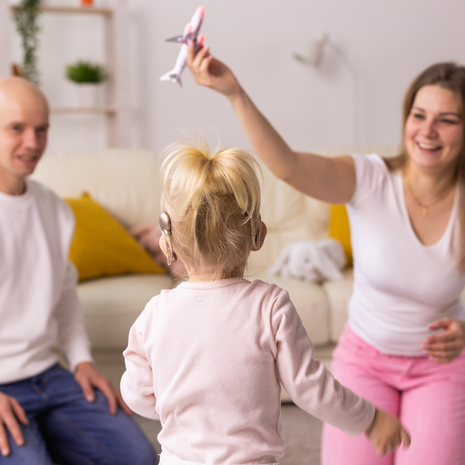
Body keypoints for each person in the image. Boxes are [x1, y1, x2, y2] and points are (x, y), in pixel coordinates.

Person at [185, 41, 465, 465]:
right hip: (365, 361)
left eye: (446, 120)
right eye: (418, 115)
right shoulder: (370, 178)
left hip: (440, 369)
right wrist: (235, 93)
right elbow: (288, 166)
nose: (427, 131)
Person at [120, 137, 410, 465]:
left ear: (167, 244)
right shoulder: (270, 306)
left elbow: (138, 396)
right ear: (258, 234)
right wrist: (368, 419)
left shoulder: (155, 315)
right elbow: (309, 387)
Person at [0, 76, 157, 464]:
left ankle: (49, 438)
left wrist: (82, 360)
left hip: (50, 376)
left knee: (139, 458)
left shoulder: (55, 208)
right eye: (16, 128)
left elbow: (65, 292)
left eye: (42, 129)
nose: (33, 143)